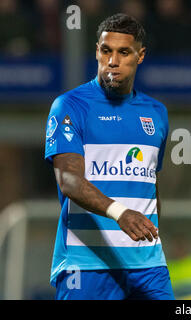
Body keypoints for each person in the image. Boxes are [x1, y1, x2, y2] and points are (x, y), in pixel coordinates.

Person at [44, 14, 173, 300]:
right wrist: (121, 213)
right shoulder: (70, 106)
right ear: (97, 52)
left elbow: (150, 184)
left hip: (148, 266)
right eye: (106, 51)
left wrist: (149, 231)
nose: (113, 61)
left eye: (123, 52)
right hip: (87, 265)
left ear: (140, 56)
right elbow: (69, 181)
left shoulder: (156, 113)